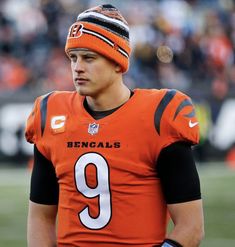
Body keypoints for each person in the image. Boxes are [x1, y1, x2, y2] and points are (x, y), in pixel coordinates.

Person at [25, 4, 204, 247]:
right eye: (73, 57)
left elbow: (191, 226)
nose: (77, 67)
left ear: (118, 62)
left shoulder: (159, 116)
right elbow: (41, 217)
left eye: (89, 57)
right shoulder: (51, 114)